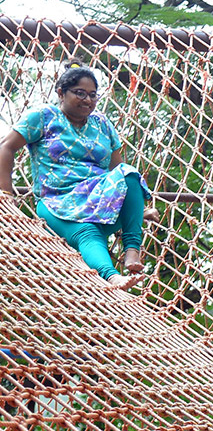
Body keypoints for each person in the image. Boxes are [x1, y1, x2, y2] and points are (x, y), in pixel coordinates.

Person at [0, 60, 156, 290]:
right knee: (87, 232)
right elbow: (6, 147)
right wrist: (5, 193)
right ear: (61, 93)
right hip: (57, 201)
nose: (88, 100)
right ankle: (112, 277)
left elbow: (118, 171)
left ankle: (132, 251)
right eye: (80, 93)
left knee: (129, 174)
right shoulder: (43, 116)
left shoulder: (101, 123)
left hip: (100, 200)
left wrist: (136, 208)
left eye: (93, 95)